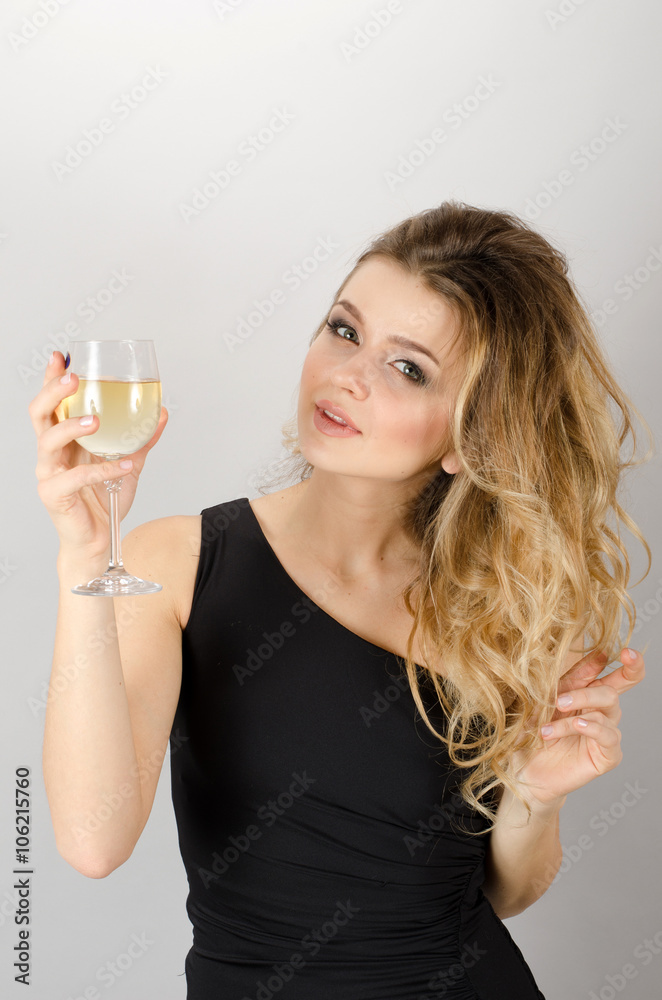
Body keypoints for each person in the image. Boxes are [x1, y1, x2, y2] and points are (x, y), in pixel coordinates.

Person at [31, 201, 651, 999]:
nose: (345, 375)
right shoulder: (177, 563)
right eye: (344, 329)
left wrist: (532, 796)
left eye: (409, 368)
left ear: (472, 436)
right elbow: (92, 841)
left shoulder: (511, 607)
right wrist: (86, 555)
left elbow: (506, 893)